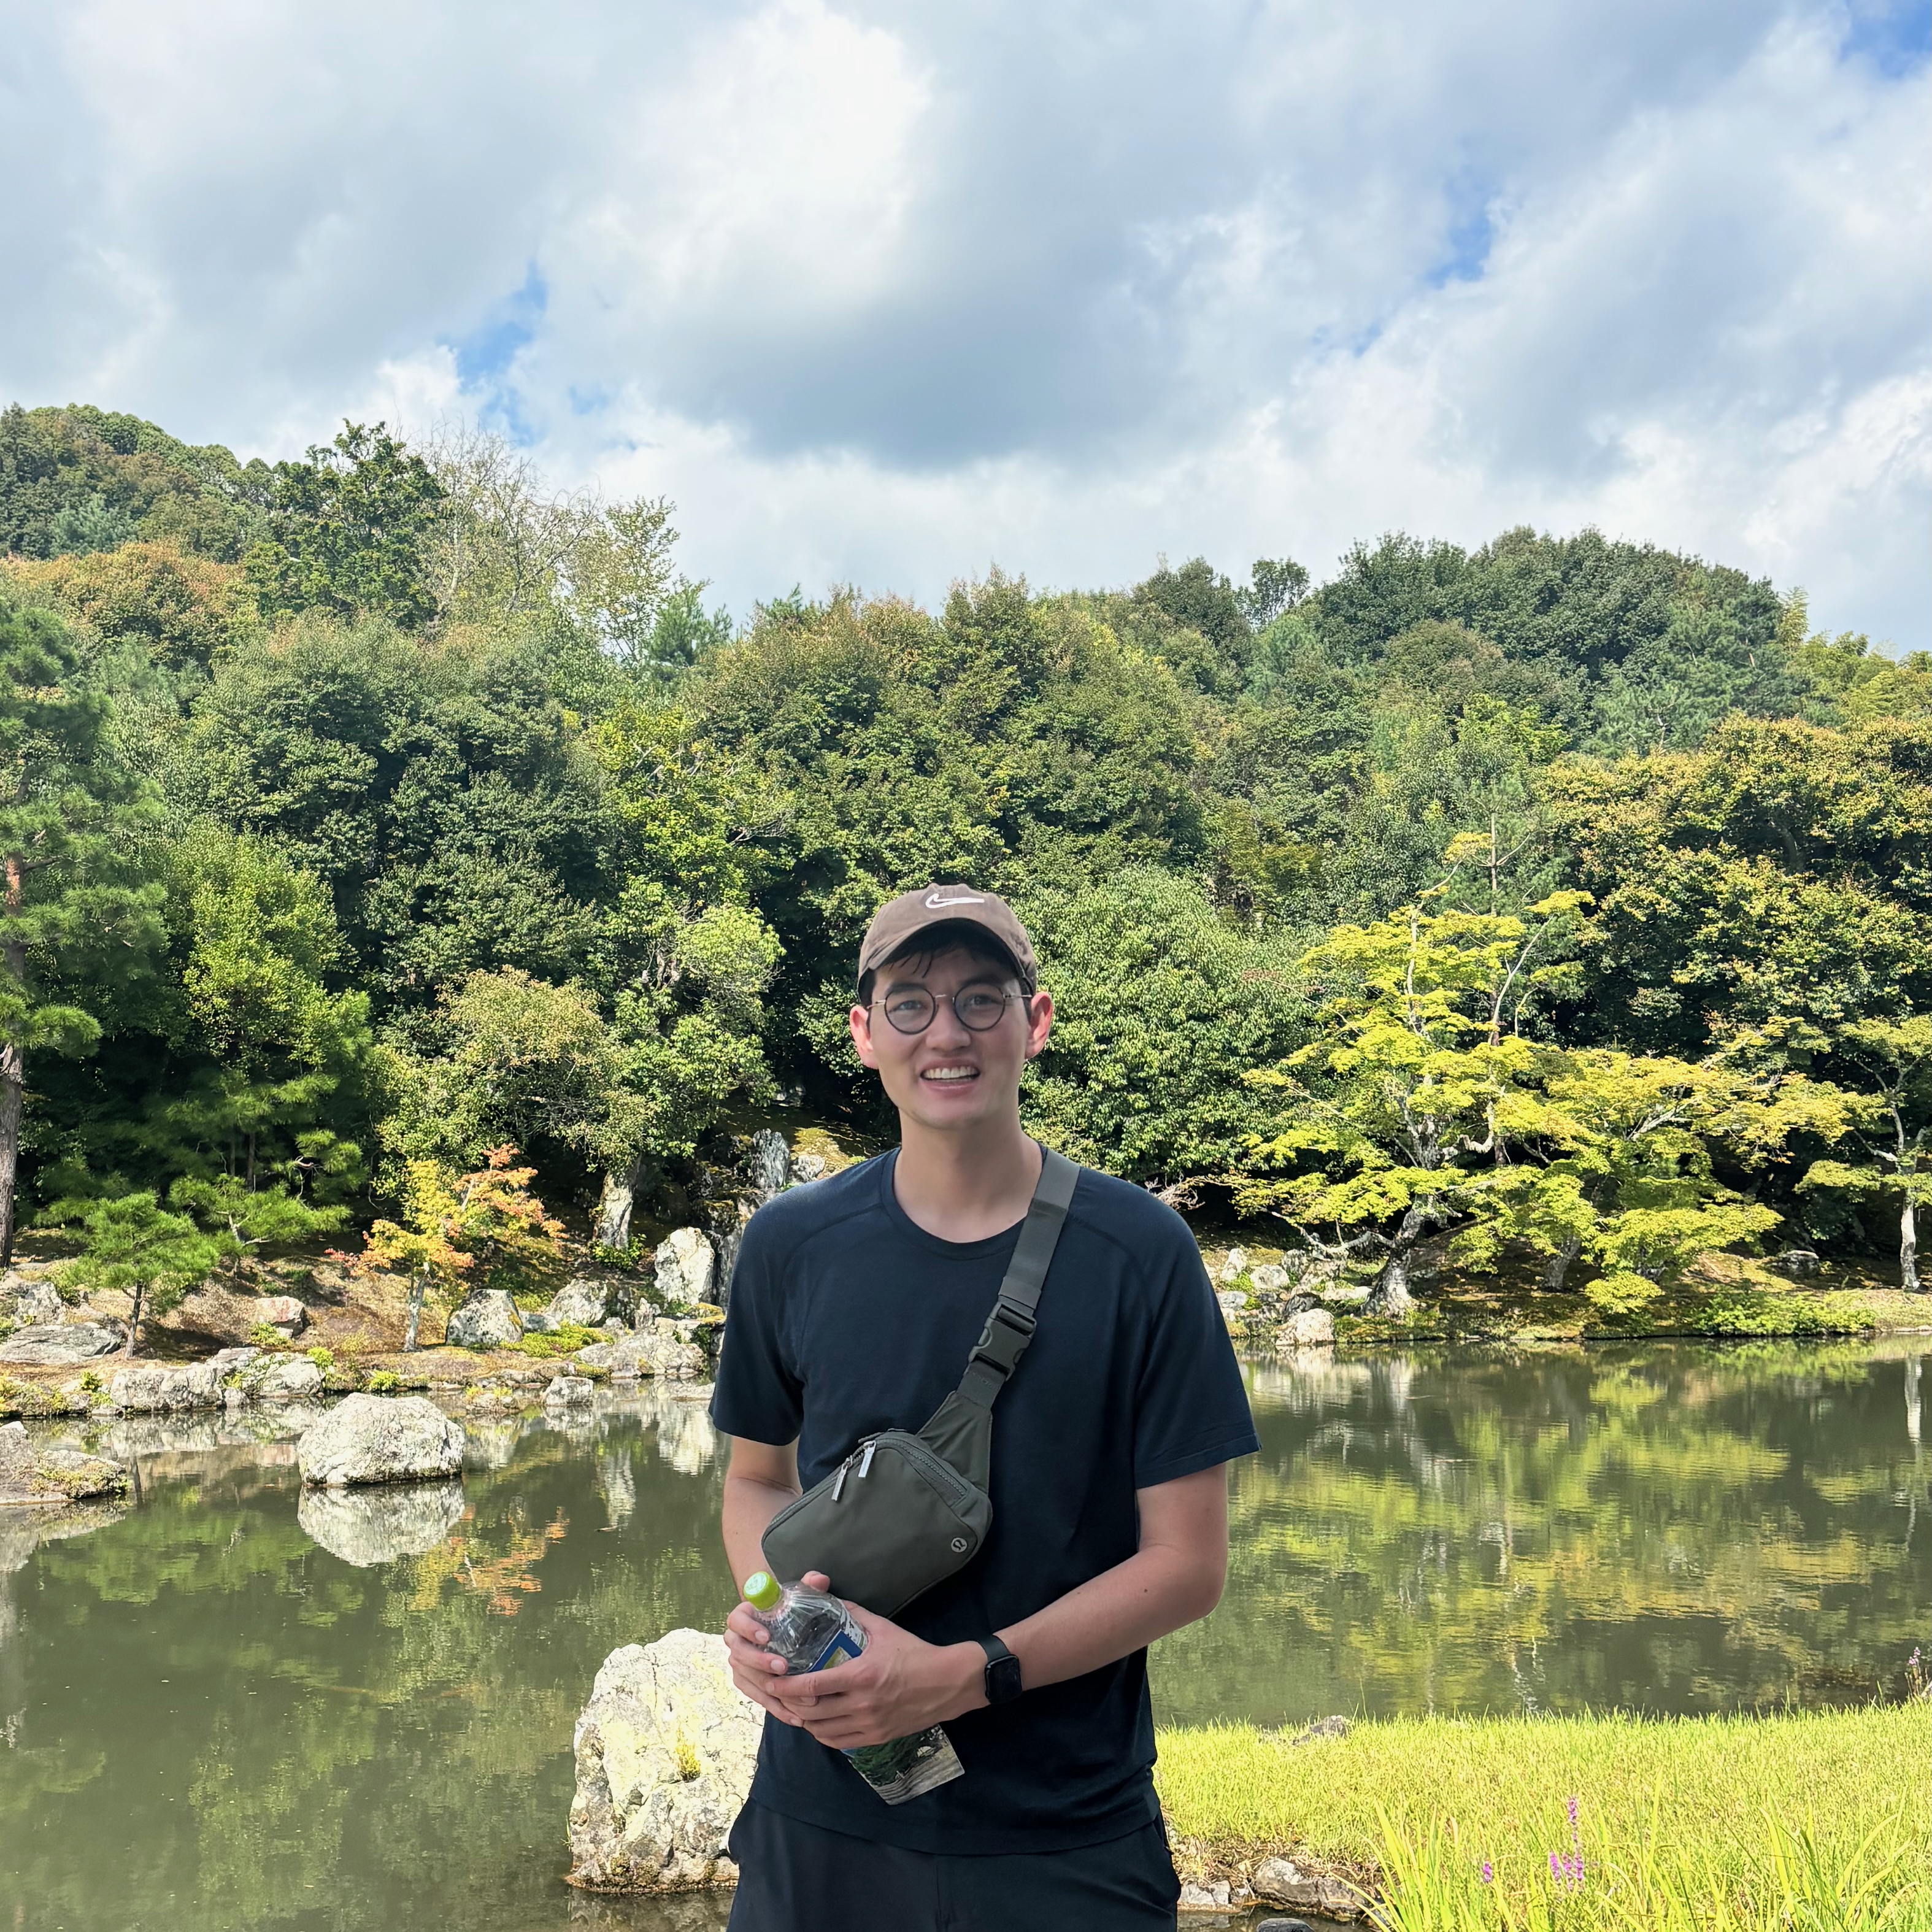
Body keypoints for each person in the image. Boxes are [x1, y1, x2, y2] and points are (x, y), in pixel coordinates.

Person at [711, 882, 1259, 1930]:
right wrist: (775, 1611)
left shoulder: (1140, 1251)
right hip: (823, 1818)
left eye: (979, 998)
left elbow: (1186, 1565)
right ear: (865, 1034)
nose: (946, 1032)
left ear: (1034, 1020)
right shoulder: (791, 1242)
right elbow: (755, 1479)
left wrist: (961, 1677)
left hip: (1063, 1831)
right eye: (910, 1002)